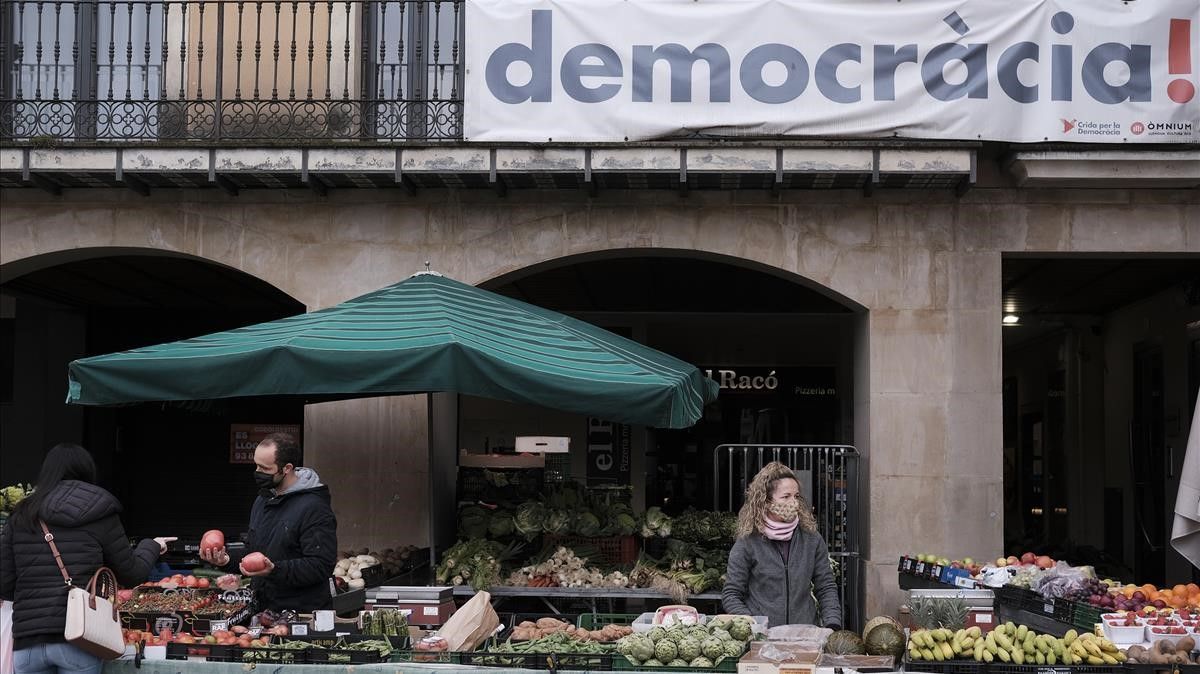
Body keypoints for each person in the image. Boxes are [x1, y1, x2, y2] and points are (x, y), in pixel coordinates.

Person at [0, 443, 175, 674]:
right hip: (78, 639)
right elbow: (131, 573)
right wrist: (151, 546)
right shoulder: (100, 510)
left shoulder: (22, 514)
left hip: (27, 644)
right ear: (87, 471)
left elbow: (4, 585)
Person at [199, 432, 337, 612]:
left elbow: (321, 566)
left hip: (301, 615)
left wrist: (274, 569)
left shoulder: (314, 508)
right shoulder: (263, 500)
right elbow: (254, 550)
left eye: (264, 469)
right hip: (264, 610)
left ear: (286, 468)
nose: (257, 473)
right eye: (256, 466)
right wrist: (225, 560)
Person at [722, 461, 842, 629]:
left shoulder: (811, 539)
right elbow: (731, 594)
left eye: (796, 496)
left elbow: (826, 586)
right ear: (766, 501)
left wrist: (832, 623)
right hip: (764, 637)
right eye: (786, 497)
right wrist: (753, 625)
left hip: (804, 634)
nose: (794, 502)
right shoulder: (748, 542)